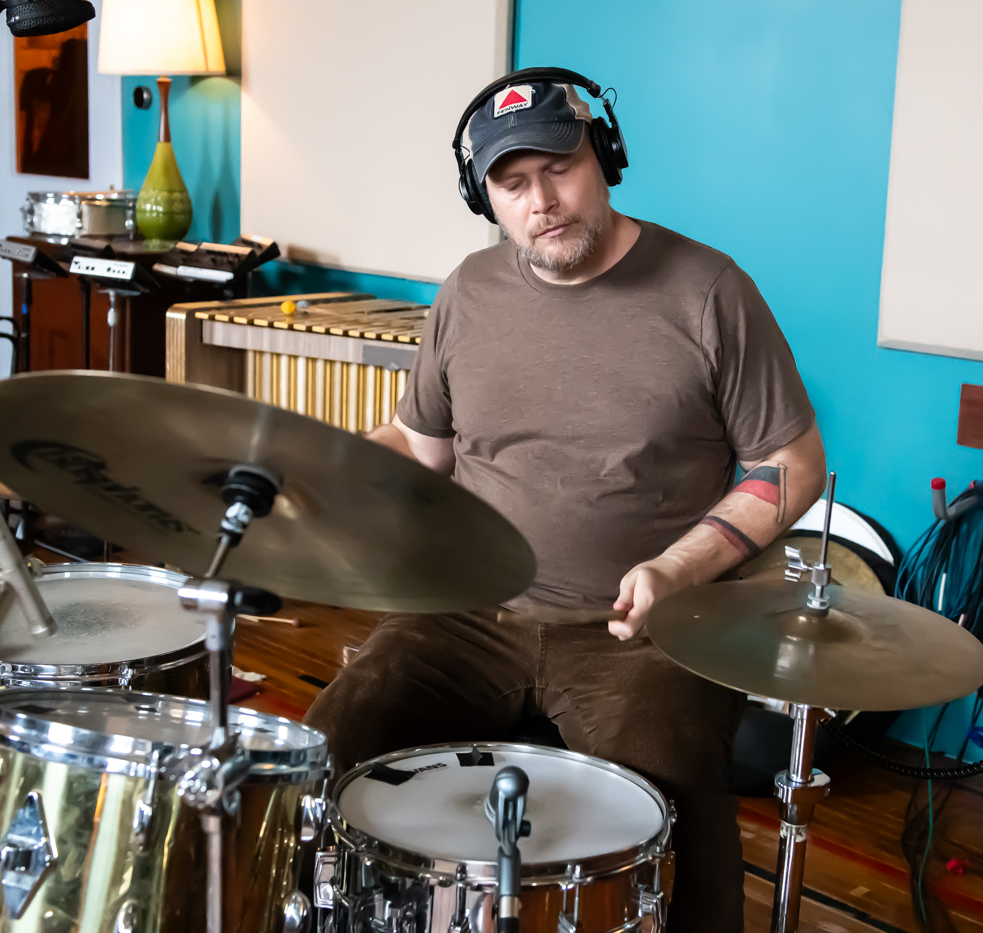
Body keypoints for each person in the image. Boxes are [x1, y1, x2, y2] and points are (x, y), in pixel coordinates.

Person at [304, 68, 827, 933]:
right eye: (513, 183)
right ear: (485, 198)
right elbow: (420, 447)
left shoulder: (708, 290)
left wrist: (677, 566)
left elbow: (791, 462)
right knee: (329, 744)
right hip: (469, 613)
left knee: (672, 799)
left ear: (604, 159)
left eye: (559, 168)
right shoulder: (468, 292)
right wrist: (316, 469)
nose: (542, 202)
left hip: (641, 633)